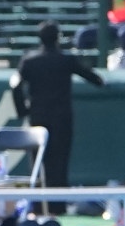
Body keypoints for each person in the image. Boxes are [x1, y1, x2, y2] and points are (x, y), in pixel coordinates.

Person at [11, 20, 101, 203]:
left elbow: (15, 85)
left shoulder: (29, 60)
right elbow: (92, 77)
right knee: (60, 160)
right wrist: (102, 82)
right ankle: (58, 204)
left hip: (37, 116)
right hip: (61, 118)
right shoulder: (66, 60)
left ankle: (38, 204)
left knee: (38, 161)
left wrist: (22, 111)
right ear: (57, 38)